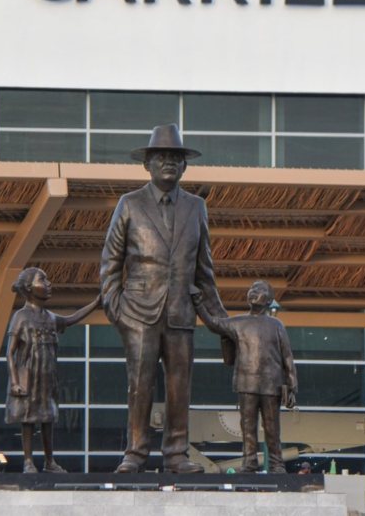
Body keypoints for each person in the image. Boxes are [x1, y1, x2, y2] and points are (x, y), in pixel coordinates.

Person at [100, 123, 227, 474]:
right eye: (161, 157)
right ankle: (136, 453)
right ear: (148, 164)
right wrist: (117, 310)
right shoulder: (129, 204)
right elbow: (110, 263)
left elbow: (205, 270)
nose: (169, 163)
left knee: (179, 388)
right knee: (139, 386)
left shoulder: (196, 207)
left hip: (181, 312)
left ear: (184, 165)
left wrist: (222, 322)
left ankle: (176, 453)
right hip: (138, 312)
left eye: (175, 157)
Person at [195, 280, 297, 473]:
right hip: (246, 383)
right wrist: (199, 304)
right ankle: (249, 463)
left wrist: (291, 384)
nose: (252, 292)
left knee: (272, 427)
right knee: (248, 427)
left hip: (271, 384)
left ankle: (276, 464)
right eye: (251, 289)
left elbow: (287, 357)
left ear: (268, 300)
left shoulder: (276, 325)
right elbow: (214, 324)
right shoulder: (239, 322)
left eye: (258, 291)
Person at [5, 267, 100, 473]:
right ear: (29, 288)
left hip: (48, 376)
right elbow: (10, 353)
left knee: (48, 417)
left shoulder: (50, 317)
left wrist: (95, 303)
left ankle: (50, 461)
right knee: (28, 418)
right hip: (28, 376)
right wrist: (14, 382)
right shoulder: (20, 317)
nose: (49, 284)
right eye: (43, 280)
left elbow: (71, 319)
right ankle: (28, 461)